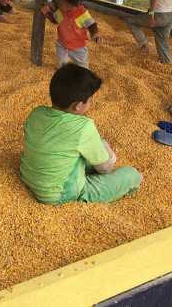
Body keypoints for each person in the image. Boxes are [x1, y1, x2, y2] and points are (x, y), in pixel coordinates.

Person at [20, 64, 142, 205]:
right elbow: (105, 168)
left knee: (89, 148)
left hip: (29, 178)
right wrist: (110, 157)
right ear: (78, 105)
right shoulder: (84, 127)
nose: (91, 103)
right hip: (59, 194)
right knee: (132, 175)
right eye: (90, 100)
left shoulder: (37, 113)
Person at [41, 0, 100, 69]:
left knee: (82, 67)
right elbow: (55, 20)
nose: (57, 4)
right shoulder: (61, 10)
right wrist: (47, 13)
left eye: (59, 4)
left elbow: (91, 25)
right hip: (62, 44)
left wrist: (95, 34)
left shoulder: (82, 13)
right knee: (61, 64)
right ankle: (62, 71)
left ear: (70, 5)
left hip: (78, 47)